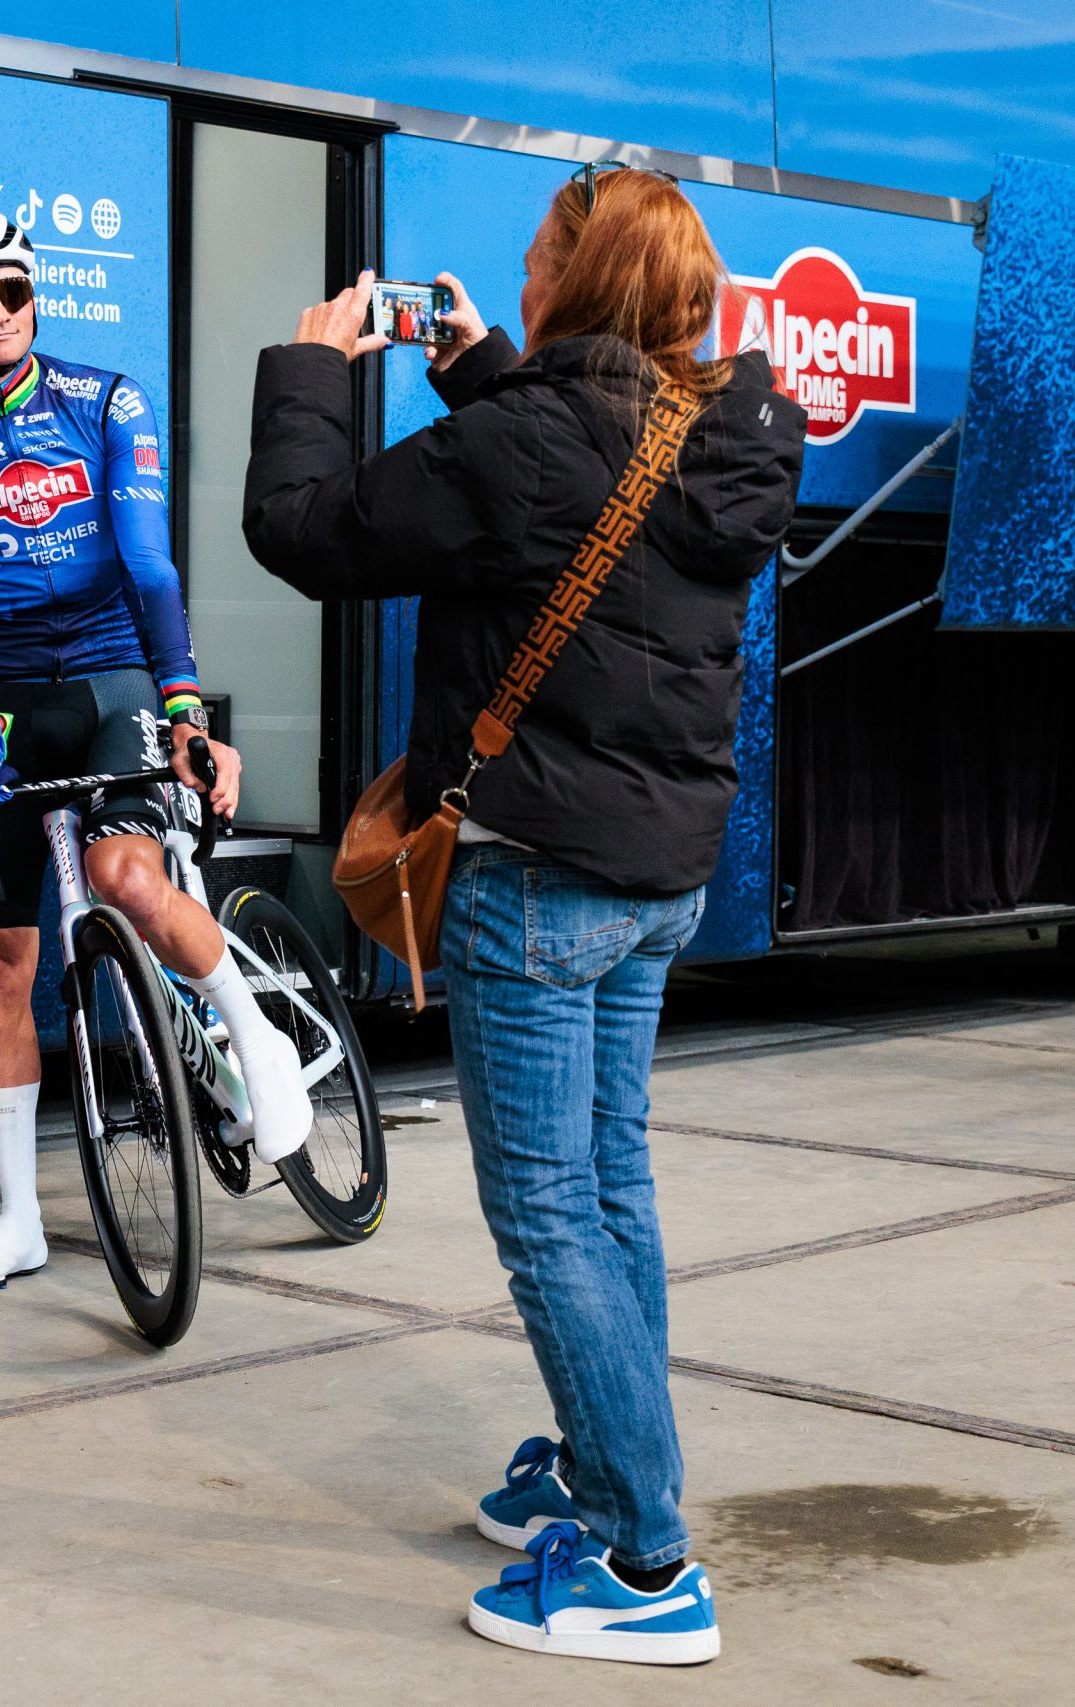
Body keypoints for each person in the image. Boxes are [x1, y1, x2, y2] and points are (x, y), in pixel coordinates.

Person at [243, 166, 806, 1663]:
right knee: (611, 1188)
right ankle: (602, 1455)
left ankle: (644, 1558)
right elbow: (590, 471)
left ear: (570, 283)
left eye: (539, 255)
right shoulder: (725, 433)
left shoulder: (532, 440)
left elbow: (307, 528)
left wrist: (309, 364)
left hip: (538, 874)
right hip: (657, 878)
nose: (523, 268)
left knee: (549, 1212)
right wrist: (480, 363)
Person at [0, 208, 313, 1287]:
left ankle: (254, 1041)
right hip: (2, 695)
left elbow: (150, 566)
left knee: (127, 875)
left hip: (112, 671)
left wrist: (181, 706)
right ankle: (21, 1219)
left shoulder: (107, 400)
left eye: (15, 291)